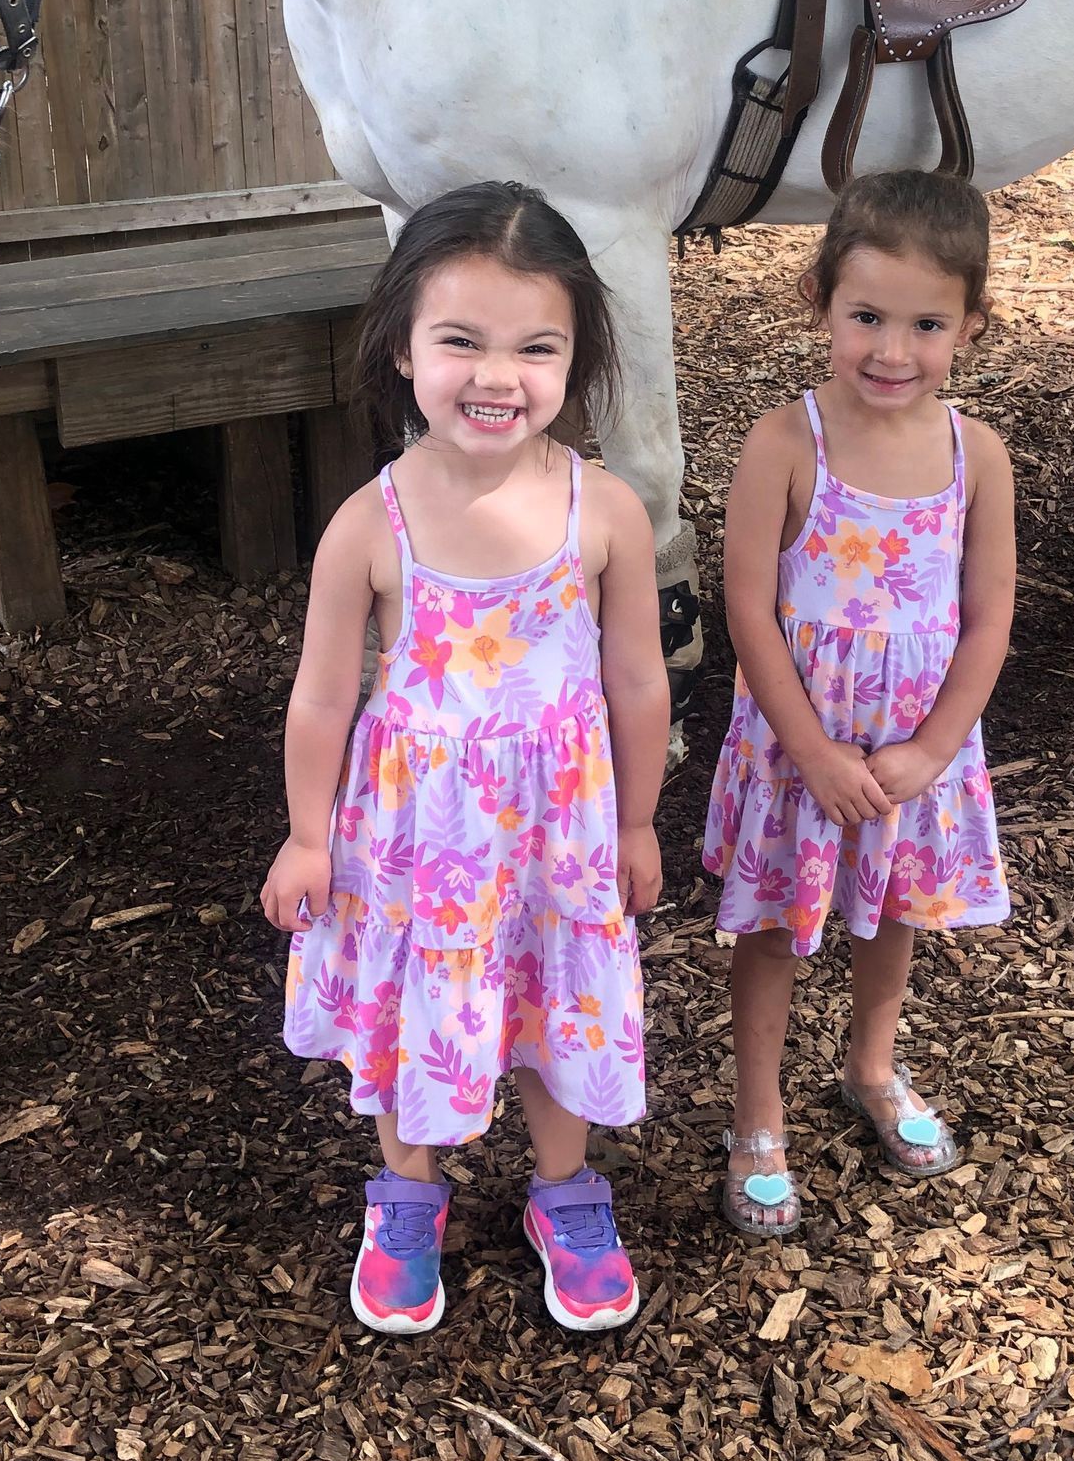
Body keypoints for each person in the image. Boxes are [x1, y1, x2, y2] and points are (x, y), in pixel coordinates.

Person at [261, 183, 669, 1334]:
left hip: (559, 836)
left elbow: (638, 680)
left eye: (536, 347)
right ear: (402, 347)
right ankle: (408, 1192)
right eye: (462, 341)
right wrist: (306, 833)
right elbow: (325, 693)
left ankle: (564, 1191)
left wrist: (637, 821)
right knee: (417, 1009)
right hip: (419, 847)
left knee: (554, 1001)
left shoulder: (606, 513)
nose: (499, 376)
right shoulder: (370, 523)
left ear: (576, 355)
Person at [702, 171, 1015, 1236]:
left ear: (971, 322)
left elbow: (987, 620)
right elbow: (747, 611)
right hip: (804, 748)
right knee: (779, 927)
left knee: (893, 913)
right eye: (867, 316)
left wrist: (932, 748)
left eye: (927, 323)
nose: (893, 350)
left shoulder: (979, 458)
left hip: (912, 755)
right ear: (821, 300)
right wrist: (817, 753)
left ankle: (872, 1068)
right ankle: (758, 1114)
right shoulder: (786, 445)